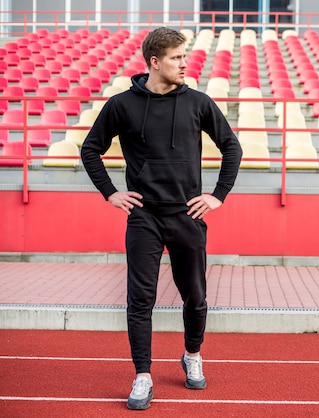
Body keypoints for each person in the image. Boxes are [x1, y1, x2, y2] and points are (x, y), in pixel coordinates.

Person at [80, 27, 242, 410]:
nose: (185, 64)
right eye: (176, 58)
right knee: (140, 299)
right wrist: (111, 193)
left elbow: (231, 147)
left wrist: (217, 195)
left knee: (196, 298)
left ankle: (192, 354)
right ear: (154, 62)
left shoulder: (199, 102)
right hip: (144, 217)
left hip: (188, 214)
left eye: (184, 57)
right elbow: (91, 150)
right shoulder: (122, 105)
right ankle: (142, 375)